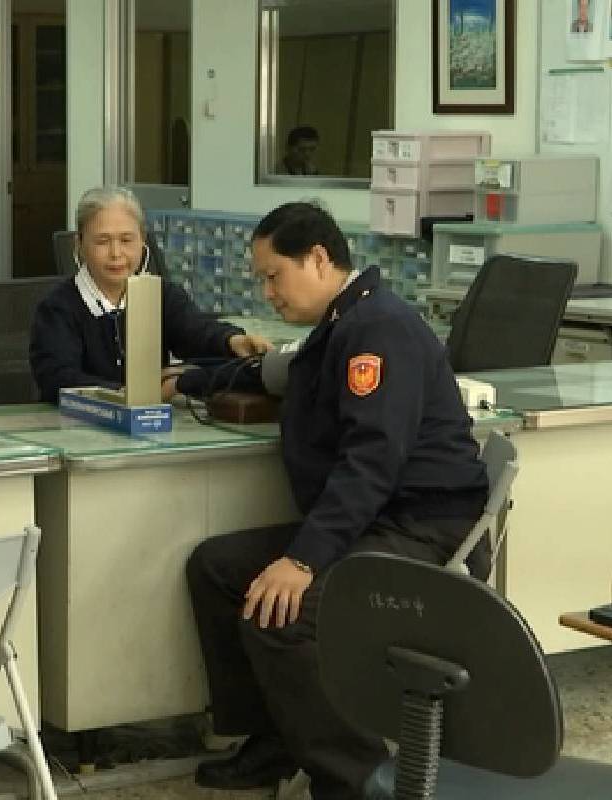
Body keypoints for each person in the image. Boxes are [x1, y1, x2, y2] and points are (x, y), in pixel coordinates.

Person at [173, 202, 490, 799]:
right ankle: (275, 738)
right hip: (377, 521)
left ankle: (355, 777)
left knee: (283, 613)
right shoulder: (343, 324)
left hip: (423, 528)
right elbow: (283, 373)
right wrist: (192, 380)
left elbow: (372, 461)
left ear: (318, 259)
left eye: (273, 276)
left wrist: (303, 561)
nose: (267, 292)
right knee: (217, 568)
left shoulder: (378, 329)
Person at [29, 186, 271, 403]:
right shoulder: (58, 307)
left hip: (150, 427)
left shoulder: (161, 294)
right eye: (102, 241)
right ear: (79, 244)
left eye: (126, 240)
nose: (116, 253)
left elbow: (195, 331)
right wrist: (129, 393)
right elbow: (56, 378)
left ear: (143, 241)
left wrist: (233, 340)